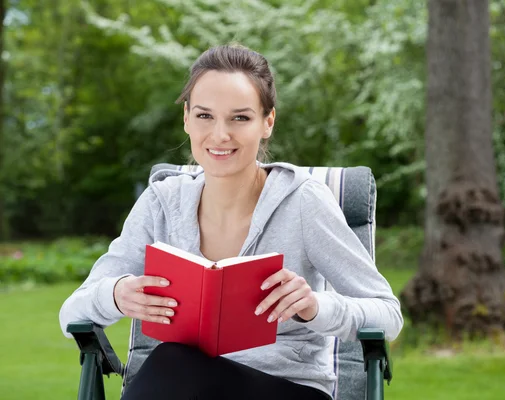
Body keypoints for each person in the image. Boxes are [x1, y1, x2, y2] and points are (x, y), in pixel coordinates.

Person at [59, 44, 403, 400]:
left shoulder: (303, 201)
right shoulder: (161, 203)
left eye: (240, 118)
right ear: (186, 119)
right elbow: (72, 314)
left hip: (284, 389)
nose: (220, 135)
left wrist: (313, 306)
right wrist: (115, 295)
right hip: (184, 384)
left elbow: (387, 315)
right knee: (173, 363)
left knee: (170, 364)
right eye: (205, 116)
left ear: (267, 122)